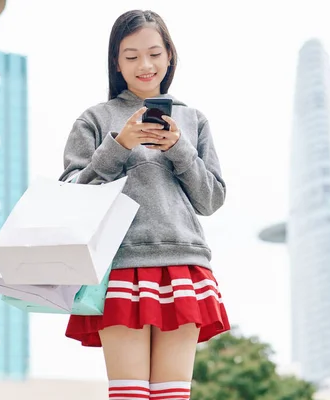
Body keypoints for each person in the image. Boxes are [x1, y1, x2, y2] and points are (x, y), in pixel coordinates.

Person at [59, 9, 230, 400]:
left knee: (172, 395)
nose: (145, 65)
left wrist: (179, 149)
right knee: (130, 394)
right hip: (121, 264)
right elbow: (73, 193)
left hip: (183, 263)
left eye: (154, 52)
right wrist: (118, 146)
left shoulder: (193, 119)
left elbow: (211, 199)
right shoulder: (95, 119)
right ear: (116, 63)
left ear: (169, 55)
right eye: (131, 55)